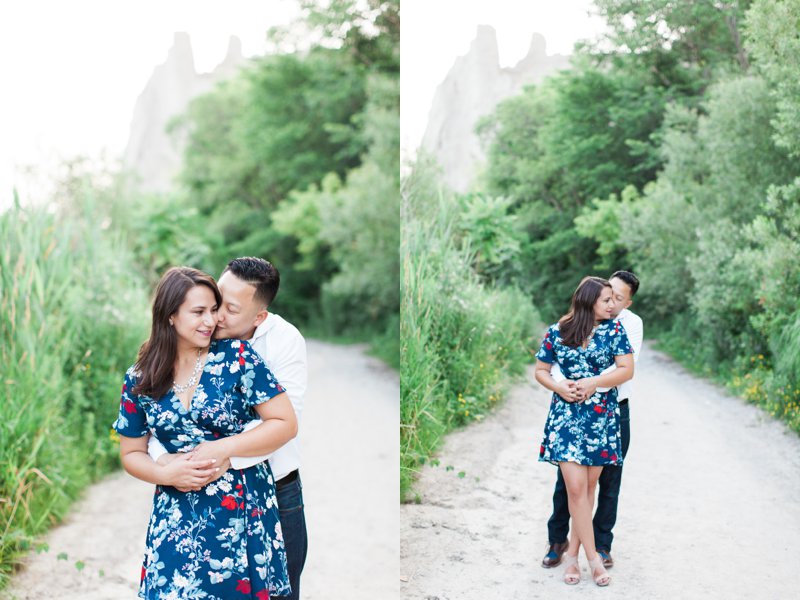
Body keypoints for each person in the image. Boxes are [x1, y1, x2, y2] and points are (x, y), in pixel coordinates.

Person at [114, 266, 297, 599]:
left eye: (214, 310)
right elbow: (131, 453)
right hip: (176, 516)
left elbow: (285, 423)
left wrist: (223, 449)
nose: (211, 321)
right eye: (198, 312)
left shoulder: (237, 358)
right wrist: (166, 473)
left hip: (241, 510)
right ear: (170, 316)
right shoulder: (140, 377)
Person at [534, 276, 633, 586]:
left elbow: (627, 369)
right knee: (575, 490)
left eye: (614, 300)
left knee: (588, 492)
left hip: (601, 416)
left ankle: (573, 558)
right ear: (590, 301)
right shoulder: (558, 331)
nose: (612, 304)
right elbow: (540, 370)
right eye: (606, 300)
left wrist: (594, 382)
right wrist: (560, 386)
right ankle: (594, 562)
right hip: (566, 416)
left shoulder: (615, 330)